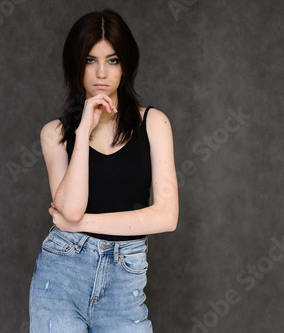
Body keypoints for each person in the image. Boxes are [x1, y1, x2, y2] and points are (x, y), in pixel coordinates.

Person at [29, 9, 178, 333]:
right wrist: (82, 131)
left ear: (126, 64)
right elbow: (70, 206)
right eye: (89, 60)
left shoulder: (154, 122)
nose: (101, 73)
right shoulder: (55, 133)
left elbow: (166, 217)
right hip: (61, 277)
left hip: (124, 283)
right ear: (75, 64)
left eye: (112, 60)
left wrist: (80, 224)